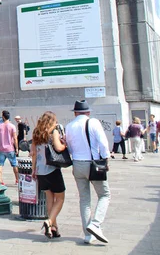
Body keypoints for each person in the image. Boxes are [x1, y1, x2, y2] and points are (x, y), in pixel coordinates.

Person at [65, 100, 111, 245]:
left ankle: (87, 235)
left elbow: (70, 148)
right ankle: (95, 224)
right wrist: (106, 158)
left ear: (75, 112)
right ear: (88, 112)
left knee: (84, 200)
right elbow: (103, 143)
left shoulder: (69, 126)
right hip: (93, 163)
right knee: (104, 194)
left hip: (77, 164)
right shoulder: (94, 122)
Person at [31, 111, 67, 239]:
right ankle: (49, 221)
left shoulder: (36, 133)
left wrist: (33, 170)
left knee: (49, 198)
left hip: (40, 171)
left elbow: (33, 153)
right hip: (52, 169)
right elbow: (58, 148)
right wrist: (65, 145)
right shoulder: (53, 132)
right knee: (61, 198)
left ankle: (53, 228)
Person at [0, 110, 19, 185]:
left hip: (2, 148)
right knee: (14, 164)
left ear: (3, 117)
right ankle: (17, 179)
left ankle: (0, 179)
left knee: (0, 164)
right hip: (10, 148)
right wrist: (17, 148)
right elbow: (15, 138)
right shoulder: (12, 126)